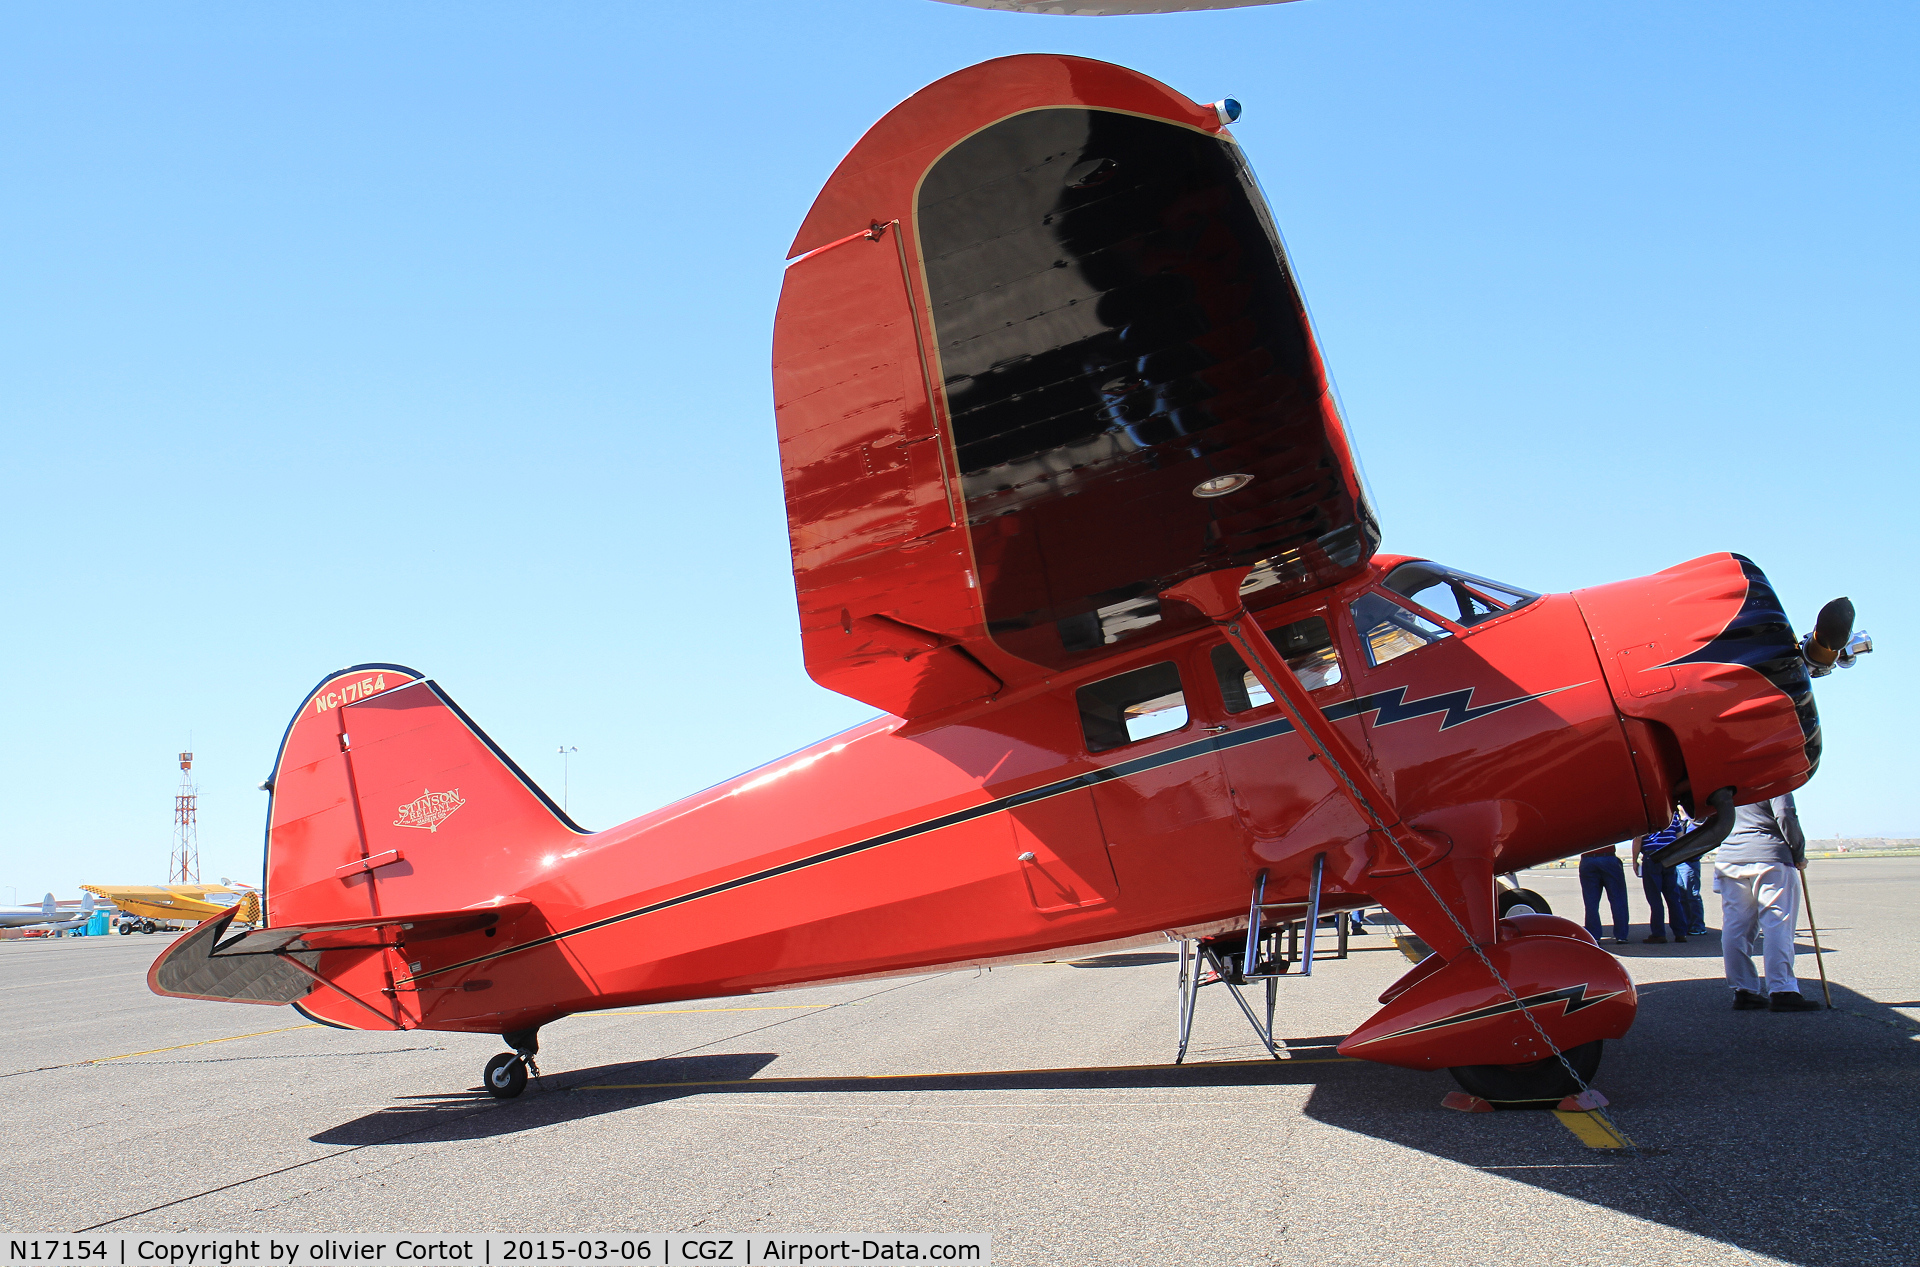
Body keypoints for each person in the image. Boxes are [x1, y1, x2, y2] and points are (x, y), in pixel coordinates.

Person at [1717, 793, 1820, 1011]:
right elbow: (1785, 814)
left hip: (1729, 856)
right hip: (1769, 854)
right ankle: (1782, 989)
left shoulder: (1723, 780)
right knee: (1777, 923)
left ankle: (1744, 990)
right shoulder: (1772, 776)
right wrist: (1798, 852)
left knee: (1736, 926)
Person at [1632, 808, 1692, 943]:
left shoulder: (1646, 818)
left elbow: (1638, 839)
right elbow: (1680, 838)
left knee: (1655, 899)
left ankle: (1659, 933)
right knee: (1673, 897)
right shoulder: (1672, 819)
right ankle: (1680, 932)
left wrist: (1634, 860)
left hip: (1652, 857)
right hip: (1668, 857)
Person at [1578, 843, 1631, 944]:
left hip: (1587, 858)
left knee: (1591, 903)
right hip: (1608, 857)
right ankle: (1621, 935)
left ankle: (1594, 935)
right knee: (1618, 900)